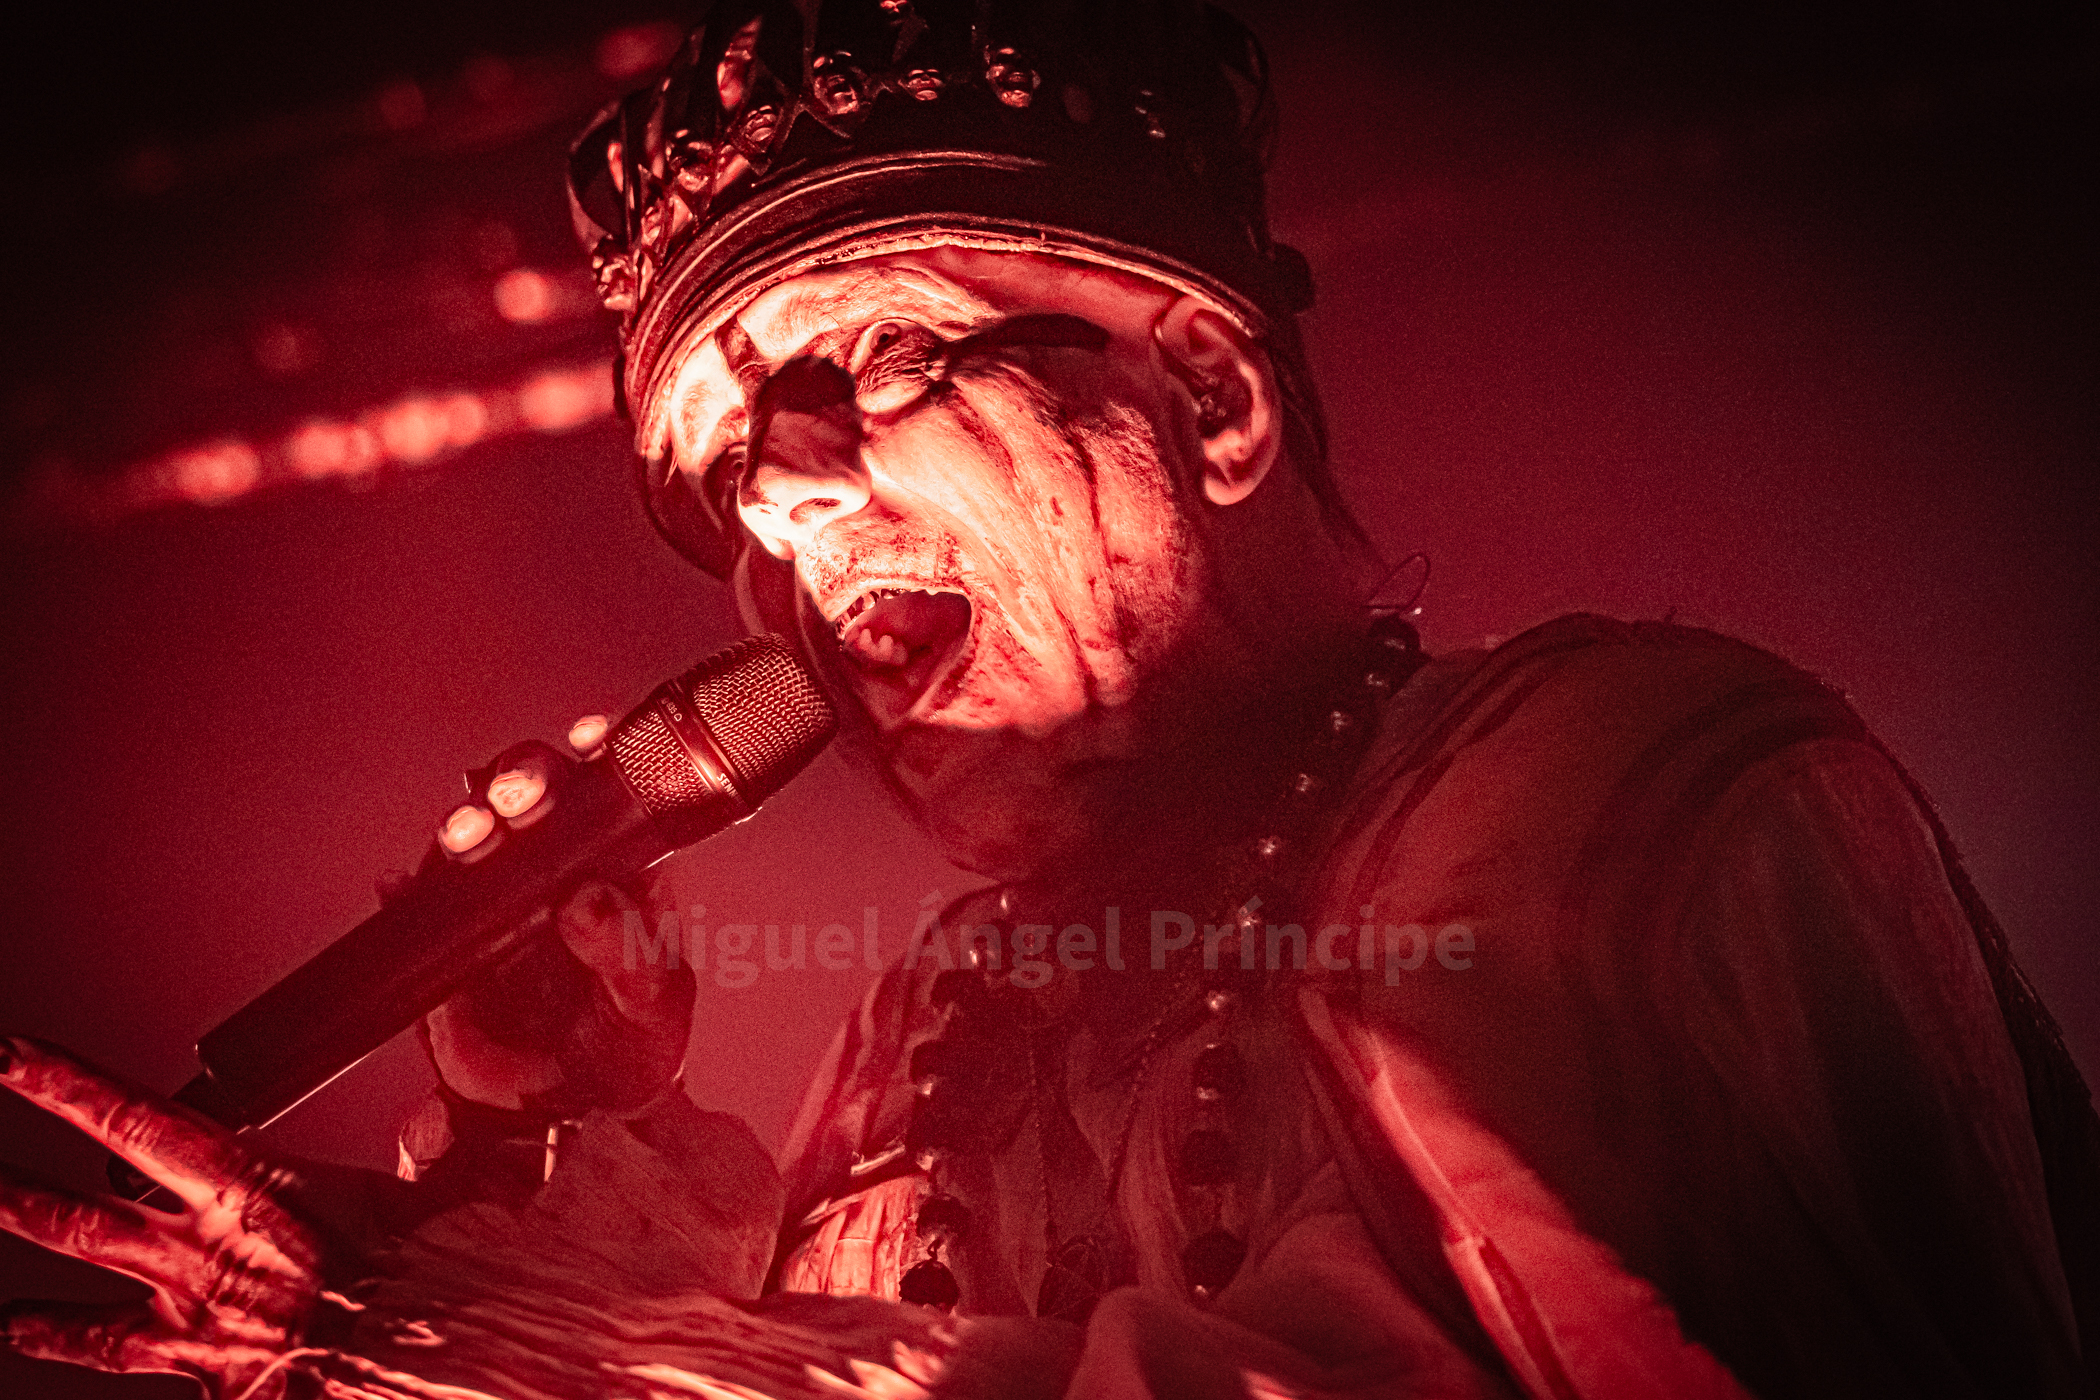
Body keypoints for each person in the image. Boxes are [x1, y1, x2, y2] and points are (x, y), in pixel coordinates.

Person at [3, 1, 2095, 1396]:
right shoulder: (928, 1022)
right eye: (728, 465)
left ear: (1212, 394)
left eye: (871, 359)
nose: (779, 496)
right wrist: (548, 1140)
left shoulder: (1628, 793)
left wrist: (504, 1343)